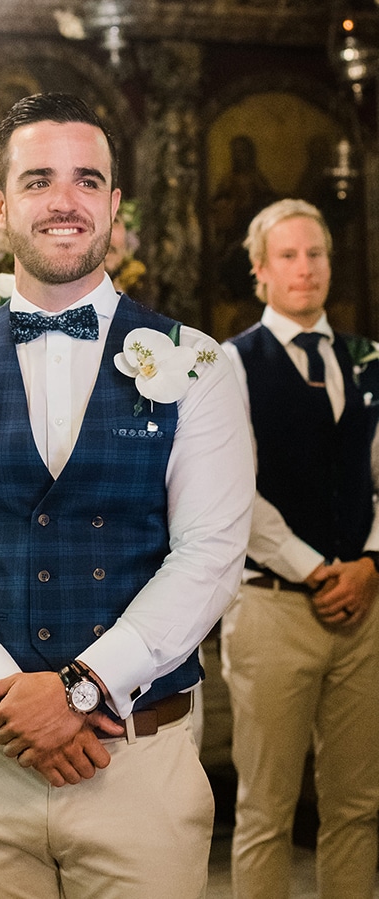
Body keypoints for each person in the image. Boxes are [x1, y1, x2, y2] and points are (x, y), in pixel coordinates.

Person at [0, 92, 255, 899]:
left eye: (87, 179)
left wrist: (83, 688)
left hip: (141, 772)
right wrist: (7, 701)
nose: (64, 199)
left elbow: (210, 557)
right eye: (38, 178)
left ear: (115, 204)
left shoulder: (197, 365)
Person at [221, 197, 379, 899]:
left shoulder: (369, 358)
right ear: (260, 271)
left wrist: (370, 562)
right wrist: (318, 570)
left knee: (357, 804)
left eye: (315, 254)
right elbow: (233, 494)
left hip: (365, 605)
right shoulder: (229, 365)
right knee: (266, 808)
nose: (305, 268)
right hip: (274, 609)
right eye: (288, 255)